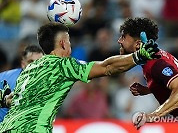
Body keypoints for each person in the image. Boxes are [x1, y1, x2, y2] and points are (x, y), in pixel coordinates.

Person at [0, 22, 159, 132]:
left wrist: (5, 98)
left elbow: (15, 99)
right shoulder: (62, 65)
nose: (70, 46)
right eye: (69, 42)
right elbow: (107, 67)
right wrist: (138, 56)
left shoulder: (30, 69)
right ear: (63, 43)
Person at [116, 17, 178, 129]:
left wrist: (153, 115)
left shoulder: (155, 64)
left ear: (138, 44)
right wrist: (150, 89)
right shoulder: (157, 57)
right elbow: (169, 80)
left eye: (123, 37)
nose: (119, 41)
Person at [0, 45, 44, 122]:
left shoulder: (48, 83)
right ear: (23, 64)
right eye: (31, 62)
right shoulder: (4, 79)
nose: (35, 66)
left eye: (39, 62)